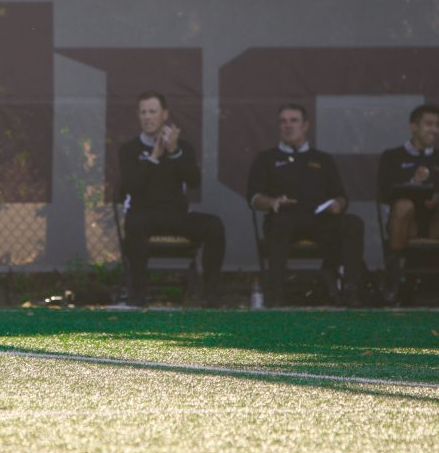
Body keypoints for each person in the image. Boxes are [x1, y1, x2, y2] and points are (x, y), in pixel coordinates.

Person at [247, 103, 364, 307]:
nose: (288, 126)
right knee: (279, 225)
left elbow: (341, 196)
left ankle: (350, 291)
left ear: (306, 125)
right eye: (283, 122)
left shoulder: (323, 159)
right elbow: (254, 198)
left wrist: (338, 204)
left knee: (353, 223)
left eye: (294, 121)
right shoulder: (266, 158)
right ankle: (275, 296)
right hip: (284, 219)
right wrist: (272, 202)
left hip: (320, 219)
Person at [117, 91, 225, 307]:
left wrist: (174, 151)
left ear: (164, 115)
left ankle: (211, 295)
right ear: (138, 116)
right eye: (143, 112)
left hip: (176, 215)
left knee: (214, 225)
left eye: (153, 112)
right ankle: (137, 296)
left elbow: (193, 181)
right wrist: (154, 157)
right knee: (133, 225)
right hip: (144, 215)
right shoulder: (129, 150)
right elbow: (129, 186)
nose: (148, 117)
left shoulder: (182, 147)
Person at [377, 104, 439, 305]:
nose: (434, 130)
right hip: (405, 224)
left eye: (437, 125)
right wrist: (414, 182)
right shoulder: (392, 156)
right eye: (429, 124)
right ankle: (393, 279)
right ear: (414, 126)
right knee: (404, 205)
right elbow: (384, 193)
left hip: (434, 224)